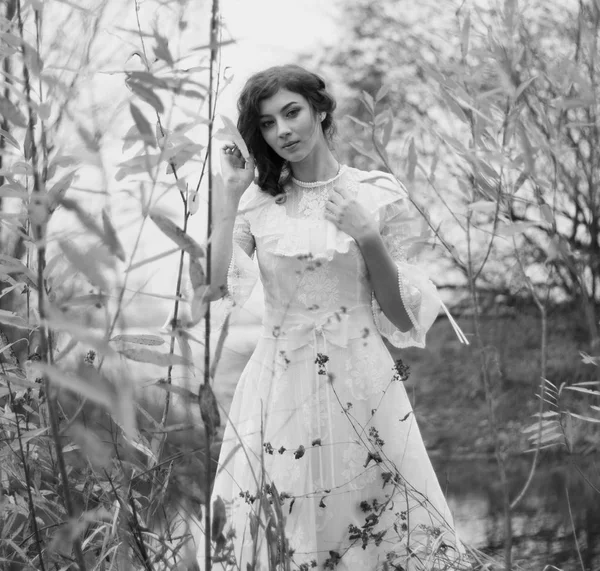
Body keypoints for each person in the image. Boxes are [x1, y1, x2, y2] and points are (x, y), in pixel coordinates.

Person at [201, 64, 470, 570]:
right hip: (278, 384)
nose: (282, 130)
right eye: (266, 123)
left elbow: (399, 316)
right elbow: (214, 286)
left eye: (291, 112)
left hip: (363, 380)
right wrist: (229, 196)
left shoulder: (376, 191)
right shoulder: (257, 203)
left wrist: (367, 236)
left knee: (375, 522)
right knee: (283, 524)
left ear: (320, 110)